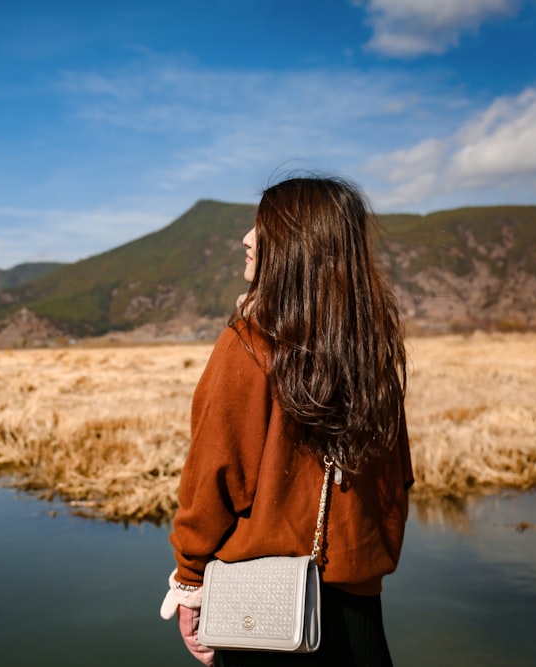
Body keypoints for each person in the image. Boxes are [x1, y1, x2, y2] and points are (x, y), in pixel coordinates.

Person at [159, 175, 414, 666]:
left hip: (265, 615)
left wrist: (190, 582)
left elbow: (215, 477)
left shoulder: (250, 344)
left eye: (261, 227)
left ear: (298, 245)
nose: (247, 239)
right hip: (360, 615)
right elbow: (397, 483)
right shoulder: (372, 352)